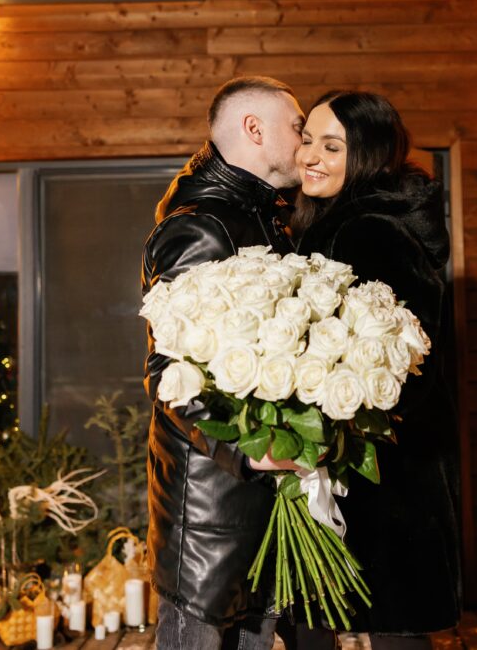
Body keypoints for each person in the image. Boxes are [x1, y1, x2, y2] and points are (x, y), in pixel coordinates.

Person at [289, 91, 462, 649]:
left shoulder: (370, 231)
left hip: (384, 472)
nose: (310, 156)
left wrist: (330, 416)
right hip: (358, 465)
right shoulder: (334, 220)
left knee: (387, 629)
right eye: (308, 139)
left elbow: (408, 358)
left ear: (367, 156)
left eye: (332, 146)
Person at [141, 75, 308, 648]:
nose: (304, 142)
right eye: (297, 127)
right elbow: (170, 374)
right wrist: (251, 449)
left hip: (259, 504)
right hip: (211, 514)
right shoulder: (200, 226)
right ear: (254, 129)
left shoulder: (267, 218)